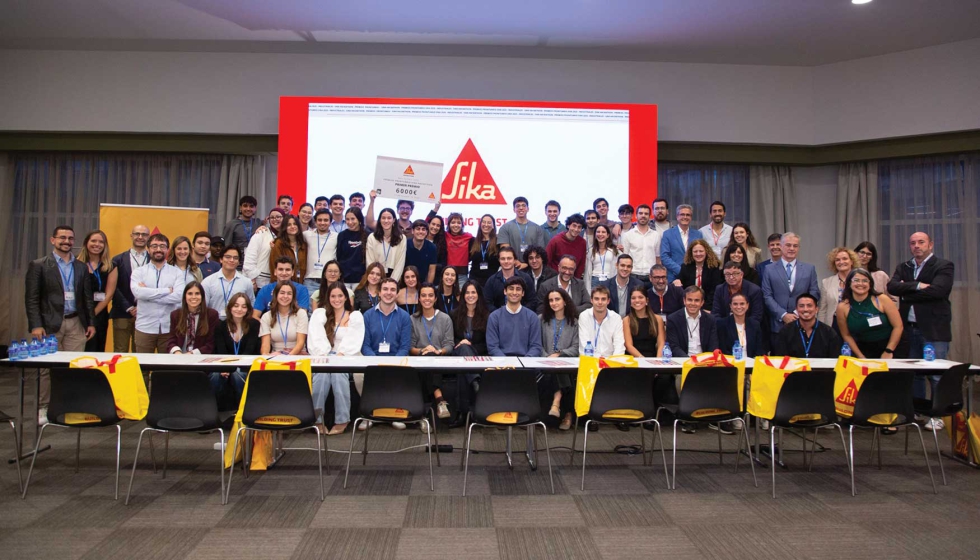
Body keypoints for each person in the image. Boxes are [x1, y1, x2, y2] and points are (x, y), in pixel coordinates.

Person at [26, 225, 95, 423]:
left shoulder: (81, 267)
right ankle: (43, 407)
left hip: (76, 323)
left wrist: (90, 322)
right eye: (62, 238)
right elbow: (31, 299)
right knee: (46, 368)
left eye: (70, 238)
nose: (67, 241)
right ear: (52, 240)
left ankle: (69, 406)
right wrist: (35, 325)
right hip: (48, 325)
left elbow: (87, 298)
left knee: (75, 367)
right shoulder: (39, 265)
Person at [887, 232, 953, 417]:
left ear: (930, 245)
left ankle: (937, 415)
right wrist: (917, 285)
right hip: (909, 329)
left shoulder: (944, 265)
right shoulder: (904, 266)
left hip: (933, 329)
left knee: (936, 374)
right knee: (914, 374)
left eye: (921, 242)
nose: (917, 246)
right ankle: (915, 411)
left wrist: (906, 290)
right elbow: (892, 287)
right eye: (913, 243)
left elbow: (938, 291)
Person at [308, 282, 364, 435]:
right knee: (321, 375)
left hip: (347, 356)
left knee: (339, 374)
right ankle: (317, 420)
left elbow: (354, 340)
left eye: (340, 296)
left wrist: (340, 355)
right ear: (328, 298)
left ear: (346, 297)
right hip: (325, 356)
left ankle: (342, 419)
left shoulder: (355, 316)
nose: (336, 299)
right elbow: (316, 338)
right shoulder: (320, 314)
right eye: (333, 296)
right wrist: (325, 356)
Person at [410, 283, 456, 425]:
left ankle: (424, 418)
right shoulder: (412, 319)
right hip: (420, 360)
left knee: (430, 360)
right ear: (419, 299)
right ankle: (439, 400)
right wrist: (422, 351)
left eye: (430, 295)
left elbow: (450, 344)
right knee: (426, 359)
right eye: (423, 295)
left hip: (441, 360)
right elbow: (410, 347)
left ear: (435, 298)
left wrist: (438, 351)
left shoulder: (445, 318)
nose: (427, 298)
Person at [132, 233, 186, 353]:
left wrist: (148, 295)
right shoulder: (139, 272)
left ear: (167, 249)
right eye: (154, 246)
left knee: (166, 369)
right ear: (148, 249)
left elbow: (179, 296)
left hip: (168, 328)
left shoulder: (176, 273)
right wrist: (166, 291)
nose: (158, 249)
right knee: (142, 368)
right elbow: (138, 293)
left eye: (162, 246)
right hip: (144, 328)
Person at [761, 232, 820, 342]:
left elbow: (814, 293)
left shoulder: (809, 269)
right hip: (777, 326)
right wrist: (783, 315)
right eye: (788, 245)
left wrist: (797, 313)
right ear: (781, 246)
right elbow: (767, 296)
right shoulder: (769, 269)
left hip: (802, 322)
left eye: (795, 246)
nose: (792, 248)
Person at [837, 269, 903, 360]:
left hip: (891, 348)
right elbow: (846, 335)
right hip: (863, 350)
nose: (861, 284)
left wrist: (889, 351)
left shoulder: (882, 299)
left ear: (870, 284)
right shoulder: (842, 307)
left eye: (865, 281)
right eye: (856, 280)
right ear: (849, 283)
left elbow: (898, 326)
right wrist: (860, 356)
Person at [212, 293, 261, 408]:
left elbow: (250, 350)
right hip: (225, 365)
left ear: (248, 309)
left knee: (237, 373)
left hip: (246, 365)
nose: (239, 309)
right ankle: (214, 409)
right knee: (215, 375)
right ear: (230, 308)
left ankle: (243, 408)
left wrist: (233, 367)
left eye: (244, 306)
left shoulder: (254, 325)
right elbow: (220, 351)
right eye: (236, 305)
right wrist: (224, 368)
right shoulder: (221, 326)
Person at [541, 288, 579, 428]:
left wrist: (559, 354)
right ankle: (566, 412)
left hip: (566, 362)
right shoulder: (542, 320)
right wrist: (547, 357)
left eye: (557, 299)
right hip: (544, 363)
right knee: (557, 370)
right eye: (551, 300)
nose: (554, 303)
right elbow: (536, 344)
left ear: (565, 301)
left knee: (561, 368)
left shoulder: (574, 322)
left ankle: (556, 403)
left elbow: (576, 347)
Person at [110, 224, 150, 352]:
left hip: (147, 314)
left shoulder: (155, 261)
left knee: (140, 352)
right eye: (137, 234)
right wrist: (129, 307)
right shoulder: (117, 259)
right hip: (122, 312)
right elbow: (113, 287)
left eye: (144, 234)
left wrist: (141, 306)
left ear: (148, 237)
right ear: (131, 236)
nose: (140, 237)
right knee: (120, 352)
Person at [79, 230, 117, 352]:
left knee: (96, 349)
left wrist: (92, 314)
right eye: (93, 241)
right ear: (86, 243)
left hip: (99, 313)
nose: (97, 244)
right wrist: (84, 316)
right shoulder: (76, 263)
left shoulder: (111, 266)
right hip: (79, 314)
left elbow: (109, 294)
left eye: (101, 242)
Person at [486, 276, 544, 358]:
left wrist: (524, 362)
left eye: (518, 289)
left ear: (523, 293)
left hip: (526, 364)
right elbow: (492, 347)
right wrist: (507, 362)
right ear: (505, 291)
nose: (514, 292)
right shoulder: (494, 317)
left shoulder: (532, 317)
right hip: (501, 364)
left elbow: (536, 346)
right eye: (511, 288)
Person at [773, 293, 842, 358]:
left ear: (816, 309)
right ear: (796, 309)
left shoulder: (829, 333)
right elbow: (780, 359)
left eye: (809, 306)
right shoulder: (786, 331)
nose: (805, 309)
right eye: (801, 306)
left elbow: (834, 360)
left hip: (821, 370)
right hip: (793, 370)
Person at [361, 277, 413, 358]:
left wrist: (393, 364)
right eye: (385, 289)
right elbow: (365, 346)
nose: (389, 292)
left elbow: (405, 347)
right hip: (373, 364)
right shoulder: (367, 316)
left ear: (397, 294)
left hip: (397, 365)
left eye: (392, 290)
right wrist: (376, 363)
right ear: (379, 292)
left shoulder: (405, 317)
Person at [200, 246, 255, 320]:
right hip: (214, 323)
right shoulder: (208, 282)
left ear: (239, 262)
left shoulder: (246, 282)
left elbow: (251, 305)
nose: (231, 260)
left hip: (238, 323)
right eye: (228, 257)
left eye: (235, 258)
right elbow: (203, 308)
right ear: (221, 259)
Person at [166, 282, 220, 354]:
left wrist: (192, 353)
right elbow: (171, 340)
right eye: (190, 294)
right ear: (185, 296)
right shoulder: (175, 315)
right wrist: (177, 351)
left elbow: (211, 344)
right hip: (180, 356)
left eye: (197, 293)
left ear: (202, 296)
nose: (193, 297)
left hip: (201, 358)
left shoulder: (212, 315)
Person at [665, 286, 719, 356]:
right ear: (684, 301)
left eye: (696, 300)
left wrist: (705, 361)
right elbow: (674, 346)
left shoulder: (710, 319)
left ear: (702, 302)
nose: (693, 303)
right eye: (689, 300)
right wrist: (689, 361)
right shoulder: (673, 319)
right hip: (682, 362)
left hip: (704, 362)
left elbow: (713, 345)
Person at [259, 281, 308, 355]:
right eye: (282, 293)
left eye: (289, 293)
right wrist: (265, 355)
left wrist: (287, 357)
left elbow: (300, 343)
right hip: (276, 356)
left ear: (293, 296)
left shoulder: (301, 314)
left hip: (298, 355)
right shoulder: (266, 316)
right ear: (276, 295)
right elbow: (265, 345)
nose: (285, 296)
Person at [675, 239, 723, 312]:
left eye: (701, 251)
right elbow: (681, 284)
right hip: (690, 305)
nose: (698, 254)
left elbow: (714, 290)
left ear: (706, 252)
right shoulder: (685, 267)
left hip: (709, 306)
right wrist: (677, 281)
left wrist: (707, 308)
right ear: (691, 253)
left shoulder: (714, 267)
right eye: (695, 251)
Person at [620, 204, 662, 287]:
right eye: (641, 213)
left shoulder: (656, 235)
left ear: (650, 216)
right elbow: (624, 257)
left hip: (651, 277)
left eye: (646, 214)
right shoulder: (628, 235)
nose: (643, 216)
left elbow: (657, 257)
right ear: (636, 215)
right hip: (633, 275)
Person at [483, 246, 536, 312]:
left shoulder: (526, 278)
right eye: (503, 259)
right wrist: (499, 314)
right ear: (499, 260)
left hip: (522, 318)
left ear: (515, 260)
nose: (506, 261)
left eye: (509, 258)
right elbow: (487, 302)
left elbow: (532, 301)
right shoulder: (491, 281)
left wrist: (520, 313)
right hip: (499, 318)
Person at [660, 204, 704, 283]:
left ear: (691, 217)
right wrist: (681, 270)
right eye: (682, 214)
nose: (685, 217)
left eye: (688, 215)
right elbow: (664, 257)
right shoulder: (668, 234)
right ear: (677, 216)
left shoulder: (698, 234)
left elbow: (701, 254)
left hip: (693, 276)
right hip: (674, 276)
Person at [497, 197, 546, 267]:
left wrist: (527, 264)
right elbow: (505, 250)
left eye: (523, 205)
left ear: (528, 209)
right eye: (518, 206)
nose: (521, 208)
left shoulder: (537, 228)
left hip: (533, 267)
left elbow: (540, 250)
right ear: (514, 210)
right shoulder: (505, 227)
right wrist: (516, 262)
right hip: (513, 267)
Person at [578, 285, 626, 357]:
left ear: (608, 301)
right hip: (589, 361)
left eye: (603, 299)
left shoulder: (616, 318)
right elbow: (583, 345)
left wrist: (613, 364)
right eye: (596, 299)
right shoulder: (584, 316)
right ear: (591, 300)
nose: (600, 302)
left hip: (610, 362)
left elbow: (619, 346)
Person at [243, 207, 285, 290]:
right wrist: (253, 280)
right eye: (272, 217)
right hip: (260, 283)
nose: (275, 219)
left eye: (278, 217)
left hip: (279, 282)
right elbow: (250, 259)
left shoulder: (286, 237)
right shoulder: (261, 234)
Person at [818, 247, 859, 328]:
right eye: (837, 260)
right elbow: (823, 309)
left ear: (851, 261)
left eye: (845, 259)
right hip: (834, 324)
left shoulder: (861, 280)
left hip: (856, 322)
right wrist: (820, 329)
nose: (841, 262)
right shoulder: (826, 282)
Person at [717, 293, 767, 358]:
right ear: (730, 306)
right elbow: (722, 349)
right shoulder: (722, 324)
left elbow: (759, 350)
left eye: (742, 304)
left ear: (747, 305)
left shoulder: (755, 325)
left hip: (752, 364)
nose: (739, 307)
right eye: (735, 304)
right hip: (731, 365)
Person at [365, 208, 406, 281]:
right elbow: (370, 262)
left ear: (394, 220)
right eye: (383, 218)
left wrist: (392, 282)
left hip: (394, 277)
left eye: (389, 218)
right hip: (376, 277)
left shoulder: (402, 238)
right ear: (379, 220)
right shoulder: (372, 237)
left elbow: (400, 263)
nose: (386, 221)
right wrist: (375, 278)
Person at [623, 286, 665, 358]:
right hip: (634, 360)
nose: (637, 300)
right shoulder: (626, 320)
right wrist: (643, 360)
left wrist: (658, 361)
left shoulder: (658, 319)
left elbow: (661, 343)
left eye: (640, 297)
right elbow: (628, 345)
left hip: (653, 359)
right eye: (633, 298)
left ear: (647, 300)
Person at [304, 209, 339, 294]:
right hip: (310, 281)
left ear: (331, 222)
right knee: (310, 307)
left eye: (326, 220)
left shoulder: (337, 236)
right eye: (319, 220)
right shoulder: (306, 235)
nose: (322, 223)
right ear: (315, 221)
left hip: (330, 281)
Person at [453, 280, 490, 356]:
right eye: (467, 292)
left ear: (478, 294)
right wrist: (461, 343)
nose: (470, 295)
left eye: (473, 292)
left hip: (479, 355)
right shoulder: (454, 314)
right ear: (463, 295)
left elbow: (487, 343)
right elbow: (451, 339)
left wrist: (469, 345)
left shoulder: (487, 316)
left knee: (465, 348)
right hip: (458, 353)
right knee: (464, 348)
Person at [545, 213, 587, 278]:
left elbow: (581, 264)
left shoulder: (582, 243)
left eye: (579, 227)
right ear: (568, 226)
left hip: (572, 279)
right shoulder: (556, 240)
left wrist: (576, 281)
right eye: (574, 226)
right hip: (555, 278)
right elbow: (547, 260)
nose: (576, 229)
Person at [269, 215, 309, 283]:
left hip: (301, 283)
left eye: (295, 224)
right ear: (284, 227)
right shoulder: (279, 244)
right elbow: (274, 266)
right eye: (289, 225)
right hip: (283, 283)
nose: (292, 226)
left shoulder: (303, 245)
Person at [337, 207, 368, 287]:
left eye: (353, 219)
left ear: (359, 219)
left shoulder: (368, 235)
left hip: (361, 281)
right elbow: (339, 257)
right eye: (347, 219)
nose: (350, 222)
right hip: (344, 280)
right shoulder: (341, 235)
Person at [468, 214, 501, 287]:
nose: (486, 225)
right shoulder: (473, 241)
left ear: (493, 226)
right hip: (474, 281)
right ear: (480, 224)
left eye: (489, 222)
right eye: (484, 222)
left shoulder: (498, 242)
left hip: (493, 281)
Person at [585, 224, 618, 291]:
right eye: (598, 232)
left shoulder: (614, 251)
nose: (600, 234)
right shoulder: (590, 251)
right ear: (595, 235)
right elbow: (587, 270)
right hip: (595, 279)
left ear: (608, 235)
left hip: (609, 279)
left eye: (603, 232)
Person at [406, 219, 438, 284]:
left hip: (423, 283)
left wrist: (428, 287)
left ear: (426, 232)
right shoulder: (405, 245)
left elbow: (431, 271)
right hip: (405, 282)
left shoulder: (432, 247)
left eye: (423, 229)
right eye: (418, 229)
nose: (421, 232)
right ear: (412, 231)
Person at [445, 212, 473, 285]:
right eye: (453, 222)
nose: (456, 225)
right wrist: (435, 209)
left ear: (462, 225)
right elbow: (427, 225)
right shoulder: (444, 236)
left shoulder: (469, 237)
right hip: (447, 273)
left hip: (462, 275)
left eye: (459, 223)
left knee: (461, 296)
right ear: (448, 224)